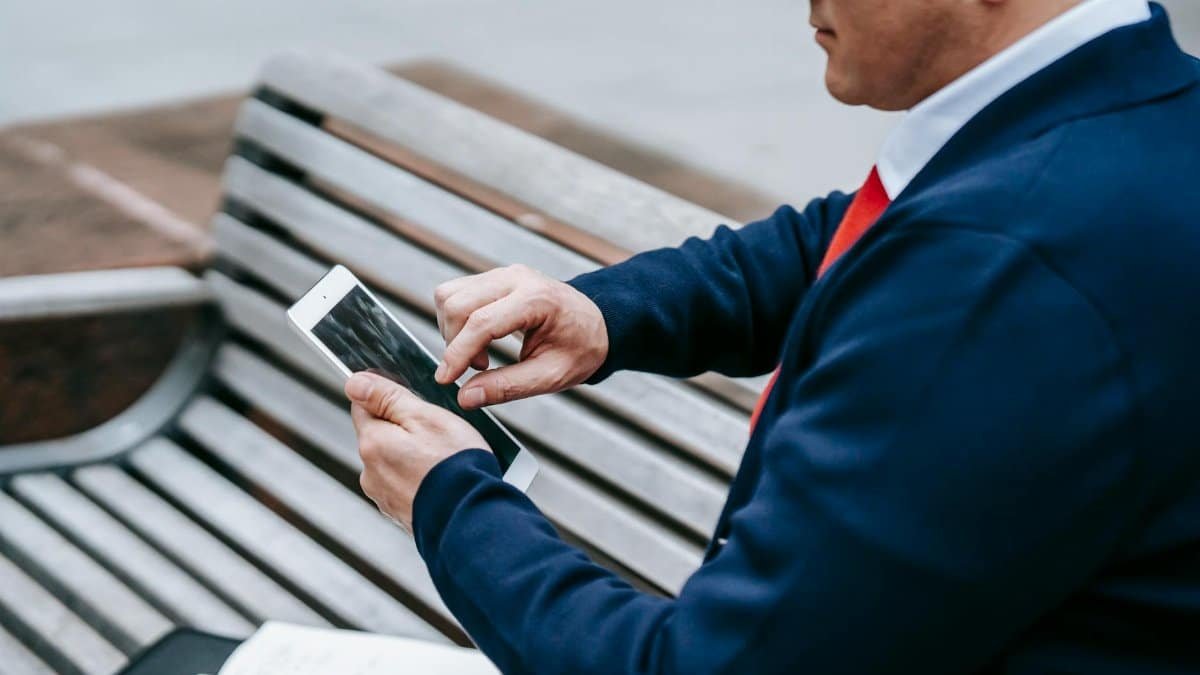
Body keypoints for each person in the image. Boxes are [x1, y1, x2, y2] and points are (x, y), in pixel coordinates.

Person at [343, 0, 1200, 672]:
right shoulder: (1134, 110)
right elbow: (851, 238)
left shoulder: (1002, 278)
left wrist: (449, 501)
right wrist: (609, 314)